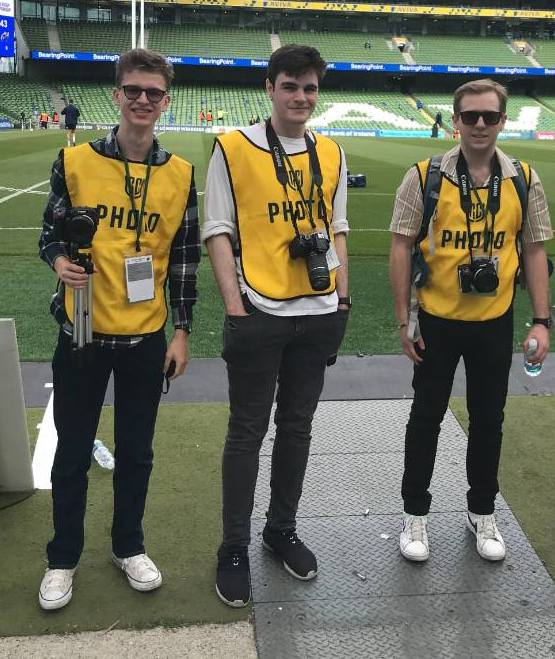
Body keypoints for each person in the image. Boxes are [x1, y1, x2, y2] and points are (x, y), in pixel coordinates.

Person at [36, 48, 199, 611]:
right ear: (117, 95)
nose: (143, 101)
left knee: (137, 451)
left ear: (166, 101)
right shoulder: (75, 161)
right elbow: (47, 236)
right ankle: (63, 557)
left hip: (144, 340)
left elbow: (183, 259)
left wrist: (182, 333)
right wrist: (59, 261)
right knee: (72, 454)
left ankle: (128, 546)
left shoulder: (180, 174)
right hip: (81, 332)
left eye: (153, 93)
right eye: (133, 90)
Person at [202, 44, 351, 608]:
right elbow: (217, 229)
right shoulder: (234, 147)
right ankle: (233, 546)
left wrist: (342, 300)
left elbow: (336, 229)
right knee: (247, 431)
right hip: (258, 309)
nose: (301, 97)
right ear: (270, 88)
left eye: (310, 88)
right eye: (291, 86)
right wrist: (234, 306)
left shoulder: (331, 151)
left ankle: (280, 529)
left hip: (316, 313)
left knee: (297, 429)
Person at [389, 79, 554, 564]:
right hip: (437, 322)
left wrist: (541, 320)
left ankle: (482, 512)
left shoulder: (525, 177)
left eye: (489, 117)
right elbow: (400, 247)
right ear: (455, 119)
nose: (479, 125)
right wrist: (405, 321)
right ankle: (415, 515)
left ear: (503, 121)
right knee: (426, 419)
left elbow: (535, 249)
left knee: (489, 422)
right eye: (470, 116)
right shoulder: (423, 176)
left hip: (493, 322)